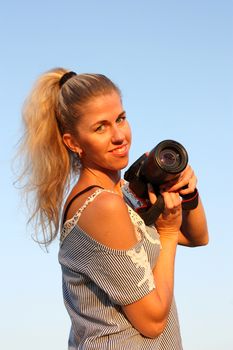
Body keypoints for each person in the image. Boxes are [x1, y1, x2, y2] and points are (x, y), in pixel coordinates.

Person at [18, 67, 209, 349]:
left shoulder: (124, 195)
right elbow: (152, 321)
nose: (119, 136)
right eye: (101, 127)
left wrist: (186, 193)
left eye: (120, 119)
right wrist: (167, 233)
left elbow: (198, 237)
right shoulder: (101, 206)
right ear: (74, 143)